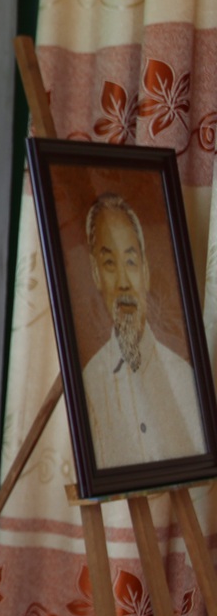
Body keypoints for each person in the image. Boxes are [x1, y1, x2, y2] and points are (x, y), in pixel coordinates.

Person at [78, 192, 206, 468]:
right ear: (96, 275)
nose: (124, 282)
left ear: (146, 272)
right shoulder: (88, 386)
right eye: (110, 264)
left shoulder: (184, 379)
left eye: (131, 262)